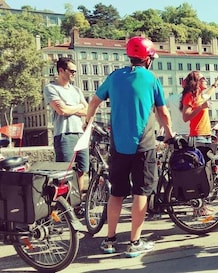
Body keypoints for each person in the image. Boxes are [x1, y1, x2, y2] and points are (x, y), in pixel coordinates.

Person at [85, 36, 174, 258]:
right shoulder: (151, 79)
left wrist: (88, 121)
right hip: (143, 145)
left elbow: (94, 101)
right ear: (148, 59)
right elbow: (162, 112)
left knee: (116, 192)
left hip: (118, 146)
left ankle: (109, 239)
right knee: (141, 192)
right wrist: (170, 134)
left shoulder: (114, 77)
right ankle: (135, 242)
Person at [43, 57, 89, 207]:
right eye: (72, 71)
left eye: (75, 71)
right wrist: (76, 107)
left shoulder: (76, 90)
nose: (74, 74)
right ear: (61, 70)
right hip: (64, 134)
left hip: (80, 134)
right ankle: (64, 207)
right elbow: (61, 110)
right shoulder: (51, 88)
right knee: (64, 174)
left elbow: (88, 110)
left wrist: (70, 108)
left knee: (81, 170)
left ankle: (77, 204)